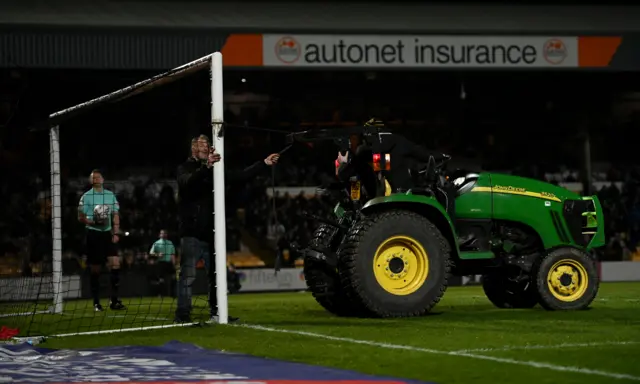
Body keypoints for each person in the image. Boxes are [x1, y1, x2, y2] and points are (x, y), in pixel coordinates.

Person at [175, 134, 280, 323]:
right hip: (192, 232)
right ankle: (182, 314)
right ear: (193, 150)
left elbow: (240, 176)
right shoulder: (185, 168)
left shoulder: (216, 170)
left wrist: (263, 163)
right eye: (202, 146)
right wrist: (206, 167)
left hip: (213, 233)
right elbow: (187, 183)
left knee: (216, 276)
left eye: (208, 146)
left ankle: (217, 312)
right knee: (188, 274)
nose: (206, 149)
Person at [77, 169, 125, 312]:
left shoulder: (110, 195)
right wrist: (93, 222)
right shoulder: (86, 197)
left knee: (115, 264)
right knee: (95, 269)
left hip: (107, 234)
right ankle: (96, 302)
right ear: (91, 181)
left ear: (103, 179)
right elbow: (80, 217)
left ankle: (114, 300)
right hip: (93, 234)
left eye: (99, 177)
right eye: (94, 178)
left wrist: (116, 232)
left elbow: (115, 214)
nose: (97, 179)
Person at [148, 229, 177, 297]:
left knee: (173, 278)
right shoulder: (156, 243)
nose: (164, 234)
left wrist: (174, 263)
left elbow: (172, 254)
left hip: (169, 263)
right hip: (161, 263)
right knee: (161, 280)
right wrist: (158, 254)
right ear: (159, 235)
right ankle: (161, 294)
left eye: (165, 233)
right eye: (162, 233)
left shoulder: (170, 243)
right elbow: (151, 253)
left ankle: (173, 294)